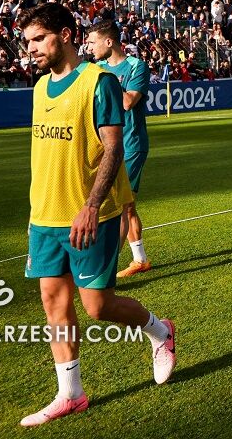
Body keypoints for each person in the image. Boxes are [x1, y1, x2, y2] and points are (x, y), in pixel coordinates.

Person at [18, 3, 175, 427]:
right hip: (45, 216)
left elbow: (114, 147)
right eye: (27, 41)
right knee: (54, 303)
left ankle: (160, 331)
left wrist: (90, 205)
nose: (30, 48)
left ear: (65, 35)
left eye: (38, 39)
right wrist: (35, 210)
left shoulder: (98, 82)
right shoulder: (37, 89)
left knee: (97, 307)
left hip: (91, 213)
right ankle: (70, 394)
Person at [86, 19, 153, 278]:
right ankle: (140, 260)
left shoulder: (136, 66)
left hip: (131, 144)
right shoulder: (96, 69)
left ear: (108, 41)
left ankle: (107, 269)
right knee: (128, 206)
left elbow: (126, 102)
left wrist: (105, 78)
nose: (89, 47)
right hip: (105, 145)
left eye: (92, 42)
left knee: (122, 204)